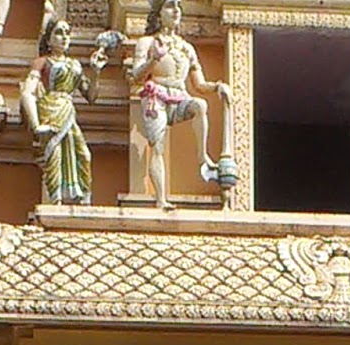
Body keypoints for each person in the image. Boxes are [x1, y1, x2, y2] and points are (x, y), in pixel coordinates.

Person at [127, 0, 230, 210]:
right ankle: (161, 199)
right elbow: (135, 76)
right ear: (158, 14)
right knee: (158, 146)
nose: (175, 11)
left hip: (180, 95)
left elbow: (199, 84)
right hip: (156, 96)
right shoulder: (147, 43)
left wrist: (218, 86)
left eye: (178, 7)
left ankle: (203, 157)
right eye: (169, 6)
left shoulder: (187, 48)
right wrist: (153, 60)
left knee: (200, 105)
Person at [21, 9, 108, 205]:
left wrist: (96, 72)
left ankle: (82, 199)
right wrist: (36, 126)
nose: (64, 37)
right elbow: (27, 92)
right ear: (49, 39)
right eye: (59, 33)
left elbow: (92, 96)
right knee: (55, 156)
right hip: (50, 111)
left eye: (67, 33)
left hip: (68, 112)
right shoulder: (42, 63)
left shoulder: (75, 65)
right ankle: (56, 201)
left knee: (84, 155)